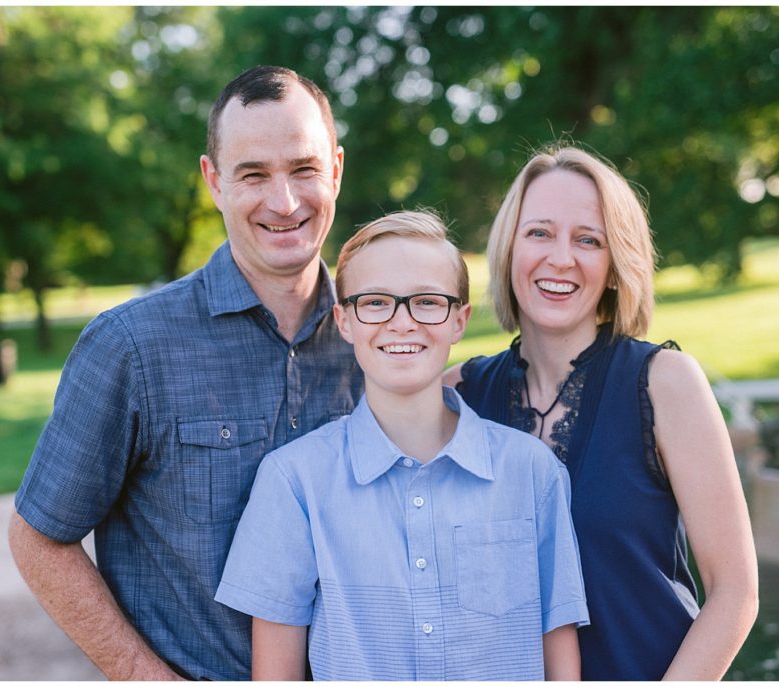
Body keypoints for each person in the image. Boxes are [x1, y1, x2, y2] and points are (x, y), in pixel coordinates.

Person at [7, 65, 364, 681]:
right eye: (254, 174)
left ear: (335, 169)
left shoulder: (376, 341)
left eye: (304, 169)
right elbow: (38, 538)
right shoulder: (130, 345)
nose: (284, 202)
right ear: (214, 181)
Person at [214, 210, 589, 681]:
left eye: (427, 302)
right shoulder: (294, 481)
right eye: (375, 303)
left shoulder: (531, 471)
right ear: (344, 320)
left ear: (459, 320)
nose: (402, 322)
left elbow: (560, 659)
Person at [445, 145, 759, 680]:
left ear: (615, 267)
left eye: (588, 240)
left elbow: (734, 592)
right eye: (539, 233)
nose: (560, 258)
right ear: (509, 249)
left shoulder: (666, 384)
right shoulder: (458, 398)